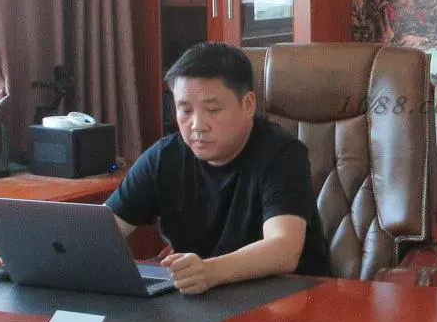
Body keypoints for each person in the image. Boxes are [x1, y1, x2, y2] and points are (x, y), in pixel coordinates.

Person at [107, 42, 331, 293]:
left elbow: (284, 249)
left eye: (212, 109)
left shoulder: (283, 154)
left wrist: (211, 271)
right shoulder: (163, 157)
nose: (197, 125)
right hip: (203, 297)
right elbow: (102, 230)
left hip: (288, 298)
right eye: (185, 110)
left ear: (248, 104)